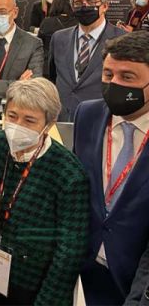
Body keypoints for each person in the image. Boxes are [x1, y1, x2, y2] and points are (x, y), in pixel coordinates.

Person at [0, 77, 89, 306]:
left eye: (29, 120)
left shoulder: (68, 174)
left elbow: (69, 252)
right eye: (12, 116)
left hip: (33, 284)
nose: (17, 126)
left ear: (49, 124)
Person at [74, 31, 149, 305]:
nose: (114, 84)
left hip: (132, 281)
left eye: (127, 77)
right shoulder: (87, 114)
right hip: (81, 274)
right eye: (108, 75)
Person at [49, 0, 125, 122]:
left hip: (101, 121)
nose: (84, 7)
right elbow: (52, 77)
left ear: (105, 5)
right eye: (78, 3)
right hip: (61, 119)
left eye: (91, 2)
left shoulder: (122, 40)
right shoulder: (59, 38)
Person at [38, 0, 78, 78]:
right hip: (72, 66)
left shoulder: (47, 22)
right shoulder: (78, 22)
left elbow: (39, 43)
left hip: (48, 66)